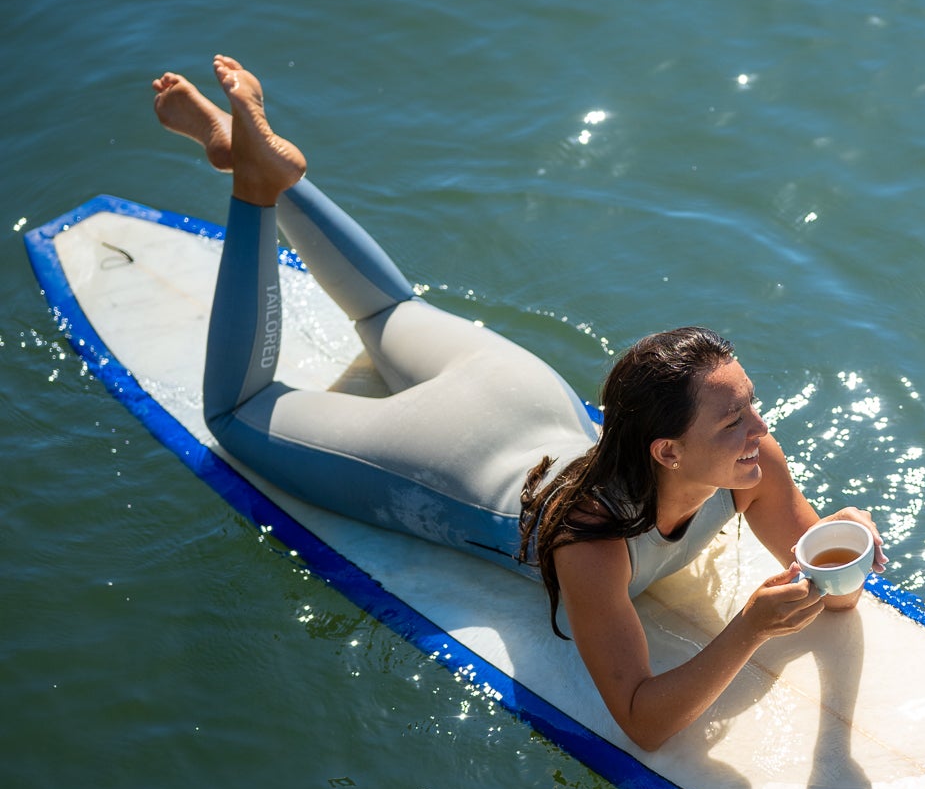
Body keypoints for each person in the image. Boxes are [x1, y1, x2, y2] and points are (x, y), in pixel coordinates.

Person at [152, 56, 886, 750]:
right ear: (667, 451)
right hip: (439, 451)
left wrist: (846, 540)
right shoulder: (590, 544)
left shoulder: (750, 463)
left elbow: (827, 585)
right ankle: (256, 187)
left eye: (751, 406)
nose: (760, 429)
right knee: (237, 411)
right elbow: (643, 719)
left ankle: (257, 160)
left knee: (384, 315)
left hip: (519, 391)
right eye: (734, 418)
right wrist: (746, 632)